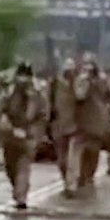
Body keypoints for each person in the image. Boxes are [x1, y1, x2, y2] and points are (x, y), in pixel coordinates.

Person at [0, 61, 48, 209]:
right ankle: (18, 190)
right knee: (10, 167)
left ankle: (21, 196)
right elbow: (2, 110)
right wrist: (8, 127)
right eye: (21, 76)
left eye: (26, 77)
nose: (23, 80)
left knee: (23, 167)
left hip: (28, 135)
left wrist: (33, 132)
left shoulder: (38, 93)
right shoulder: (9, 91)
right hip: (10, 135)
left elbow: (42, 115)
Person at [68, 54, 110, 193]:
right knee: (89, 152)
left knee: (82, 152)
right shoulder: (103, 81)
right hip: (95, 123)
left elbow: (79, 95)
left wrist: (83, 81)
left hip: (89, 123)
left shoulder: (94, 81)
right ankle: (85, 178)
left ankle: (78, 180)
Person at [49, 55, 78, 192]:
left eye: (71, 70)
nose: (69, 73)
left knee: (72, 159)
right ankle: (66, 180)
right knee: (61, 160)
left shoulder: (78, 85)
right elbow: (48, 105)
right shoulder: (55, 84)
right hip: (58, 126)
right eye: (67, 70)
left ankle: (71, 184)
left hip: (76, 127)